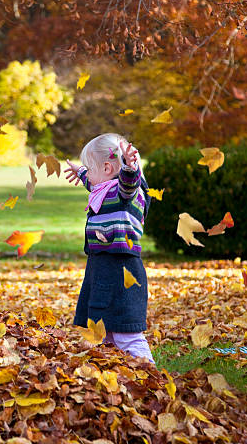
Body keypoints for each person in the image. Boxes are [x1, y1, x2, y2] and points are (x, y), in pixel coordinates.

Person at [64, 133, 154, 364]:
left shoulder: (126, 194)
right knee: (105, 331)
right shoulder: (104, 189)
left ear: (107, 168)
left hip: (122, 271)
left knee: (127, 333)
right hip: (102, 269)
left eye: (89, 169)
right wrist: (81, 172)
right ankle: (115, 374)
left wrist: (130, 168)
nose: (87, 176)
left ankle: (151, 375)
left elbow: (127, 183)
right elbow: (94, 182)